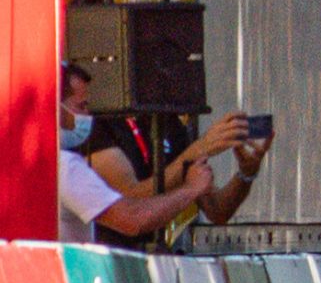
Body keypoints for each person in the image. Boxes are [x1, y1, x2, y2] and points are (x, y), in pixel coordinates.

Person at [57, 65, 216, 244]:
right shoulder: (64, 167)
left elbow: (218, 210)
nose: (87, 115)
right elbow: (133, 219)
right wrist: (191, 188)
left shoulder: (37, 163)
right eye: (81, 106)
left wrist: (245, 174)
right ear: (53, 107)